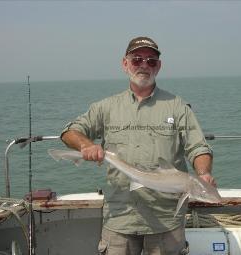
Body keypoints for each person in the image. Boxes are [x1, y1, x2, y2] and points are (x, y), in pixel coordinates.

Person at [61, 36, 216, 255]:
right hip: (120, 216)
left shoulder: (177, 107)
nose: (144, 65)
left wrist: (203, 173)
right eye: (137, 60)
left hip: (165, 219)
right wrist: (86, 145)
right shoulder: (106, 107)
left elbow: (198, 147)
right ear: (125, 64)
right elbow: (70, 132)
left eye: (151, 61)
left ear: (158, 67)